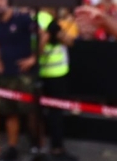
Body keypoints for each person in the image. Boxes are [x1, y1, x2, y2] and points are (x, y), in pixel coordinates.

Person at [0, 0, 39, 160]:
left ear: (9, 1)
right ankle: (12, 147)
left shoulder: (23, 19)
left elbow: (42, 35)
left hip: (24, 74)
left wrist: (34, 58)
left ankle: (37, 147)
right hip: (7, 74)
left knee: (31, 112)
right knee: (10, 112)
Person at [37, 8, 76, 160]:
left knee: (50, 113)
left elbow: (69, 41)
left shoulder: (51, 21)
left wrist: (57, 33)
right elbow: (39, 47)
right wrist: (49, 34)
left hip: (56, 72)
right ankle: (53, 148)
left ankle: (45, 148)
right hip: (48, 73)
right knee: (47, 113)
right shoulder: (43, 18)